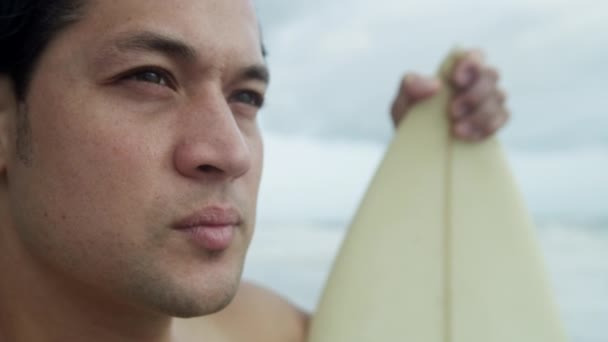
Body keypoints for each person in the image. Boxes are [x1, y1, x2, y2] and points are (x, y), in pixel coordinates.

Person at [0, 0, 509, 341]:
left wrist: (427, 164)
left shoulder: (268, 331)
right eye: (150, 77)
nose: (232, 152)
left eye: (246, 96)